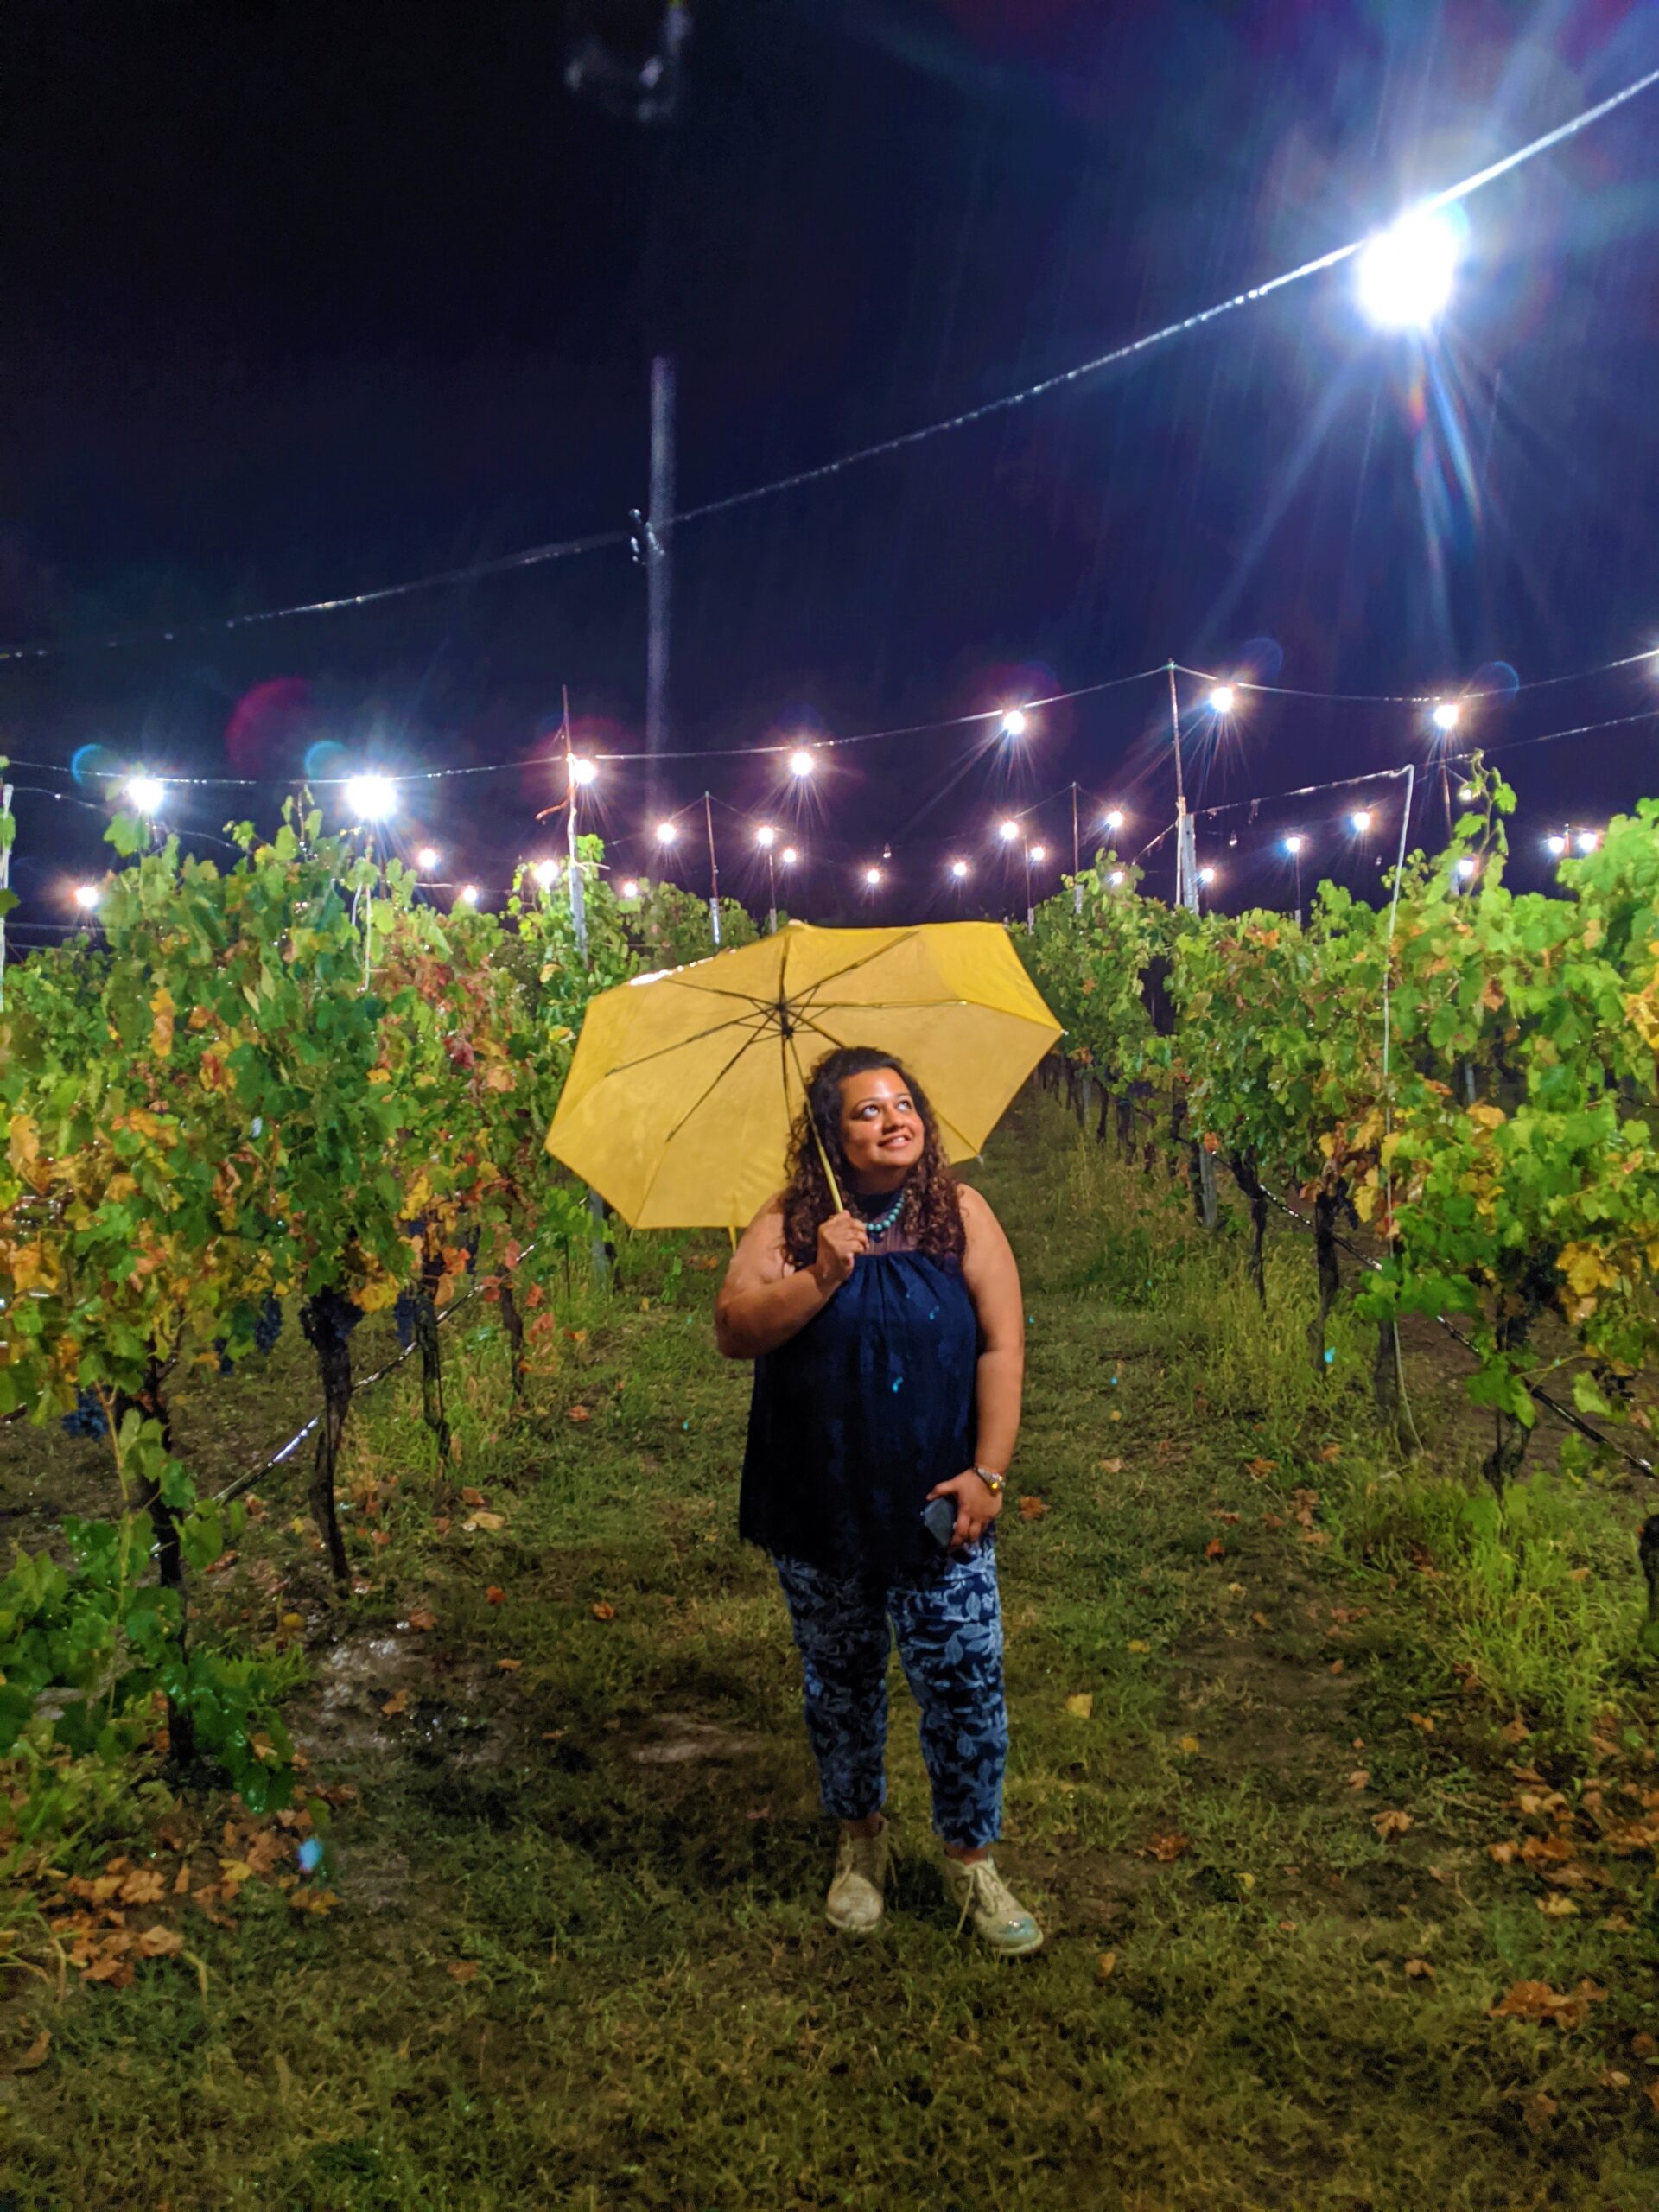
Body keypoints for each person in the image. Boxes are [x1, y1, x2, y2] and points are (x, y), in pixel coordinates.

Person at [715, 1044, 1041, 1956]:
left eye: (905, 1103)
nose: (895, 1118)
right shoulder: (792, 1221)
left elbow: (1001, 1348)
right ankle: (861, 1846)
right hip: (818, 1496)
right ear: (829, 1132)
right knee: (841, 1682)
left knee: (965, 1680)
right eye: (867, 1109)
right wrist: (817, 1274)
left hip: (940, 1502)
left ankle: (971, 1860)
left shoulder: (961, 1213)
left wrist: (991, 1471)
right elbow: (733, 1330)